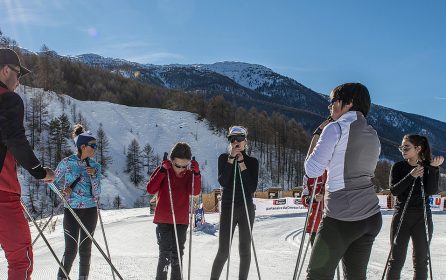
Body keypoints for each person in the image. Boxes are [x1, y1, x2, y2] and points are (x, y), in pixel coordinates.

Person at [304, 83, 382, 280]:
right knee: (356, 276)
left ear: (347, 103)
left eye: (332, 102)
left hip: (342, 216)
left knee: (317, 275)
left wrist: (316, 136)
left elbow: (312, 169)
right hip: (371, 216)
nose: (329, 107)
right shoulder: (373, 134)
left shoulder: (335, 128)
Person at [0, 47, 55, 280]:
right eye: (17, 73)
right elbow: (15, 139)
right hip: (3, 195)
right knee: (21, 258)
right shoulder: (8, 99)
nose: (19, 81)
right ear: (4, 71)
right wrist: (40, 172)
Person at [386, 135, 443, 280]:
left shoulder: (428, 166)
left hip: (422, 217)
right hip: (401, 216)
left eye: (406, 147)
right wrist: (411, 176)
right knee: (396, 260)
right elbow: (394, 191)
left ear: (418, 148)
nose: (403, 150)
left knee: (421, 261)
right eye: (402, 147)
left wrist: (435, 170)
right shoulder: (398, 166)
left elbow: (431, 191)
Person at [147, 142, 201, 280]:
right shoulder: (164, 170)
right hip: (164, 220)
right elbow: (151, 189)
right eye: (178, 165)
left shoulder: (189, 174)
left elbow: (194, 191)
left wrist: (196, 173)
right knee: (165, 255)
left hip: (181, 221)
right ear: (171, 161)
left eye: (185, 166)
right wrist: (162, 171)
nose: (181, 169)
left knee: (177, 255)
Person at [210, 126, 259, 280]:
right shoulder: (223, 158)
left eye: (239, 139)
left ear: (245, 141)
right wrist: (231, 159)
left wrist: (242, 163)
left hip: (246, 208)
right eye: (233, 139)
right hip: (228, 206)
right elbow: (223, 181)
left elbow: (251, 187)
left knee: (245, 249)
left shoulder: (252, 162)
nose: (236, 142)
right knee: (223, 250)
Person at [53, 124, 101, 280]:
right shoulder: (67, 162)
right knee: (71, 249)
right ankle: (62, 277)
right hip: (71, 210)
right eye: (92, 145)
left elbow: (97, 193)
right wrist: (62, 192)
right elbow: (51, 181)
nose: (95, 148)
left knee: (85, 248)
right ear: (83, 146)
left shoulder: (95, 166)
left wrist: (94, 176)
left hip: (90, 210)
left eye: (96, 145)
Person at [301, 172, 326, 245]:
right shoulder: (308, 176)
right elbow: (304, 200)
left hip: (332, 220)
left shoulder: (332, 170)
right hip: (315, 224)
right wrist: (313, 198)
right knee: (316, 255)